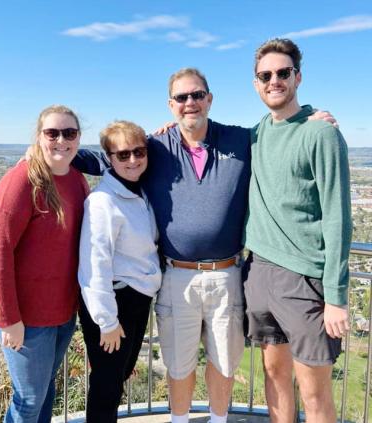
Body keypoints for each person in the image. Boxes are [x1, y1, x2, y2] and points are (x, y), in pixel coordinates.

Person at [72, 68, 334, 423]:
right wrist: (51, 151)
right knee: (178, 365)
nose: (190, 103)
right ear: (171, 105)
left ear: (210, 99)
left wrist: (311, 119)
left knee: (224, 362)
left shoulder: (240, 139)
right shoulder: (153, 147)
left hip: (227, 274)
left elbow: (280, 129)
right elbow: (105, 157)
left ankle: (218, 419)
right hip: (175, 277)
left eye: (197, 95)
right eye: (182, 97)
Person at [243, 38, 352, 423]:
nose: (274, 81)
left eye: (282, 73)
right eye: (265, 75)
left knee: (314, 390)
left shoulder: (320, 134)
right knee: (274, 375)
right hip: (258, 272)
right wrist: (168, 129)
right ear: (256, 83)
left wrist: (336, 296)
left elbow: (338, 217)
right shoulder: (255, 135)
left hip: (305, 280)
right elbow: (203, 133)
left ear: (298, 77)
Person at [0, 105, 89, 422]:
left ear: (78, 138)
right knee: (29, 400)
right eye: (52, 133)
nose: (61, 140)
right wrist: (7, 318)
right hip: (24, 317)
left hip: (61, 311)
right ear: (39, 136)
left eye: (69, 133)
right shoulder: (20, 182)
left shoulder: (76, 179)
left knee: (44, 393)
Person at [77, 121, 162, 422]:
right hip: (115, 303)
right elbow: (94, 263)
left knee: (119, 374)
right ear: (109, 159)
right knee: (106, 383)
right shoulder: (102, 202)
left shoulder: (140, 192)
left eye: (139, 152)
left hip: (136, 299)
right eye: (122, 154)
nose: (133, 160)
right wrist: (106, 321)